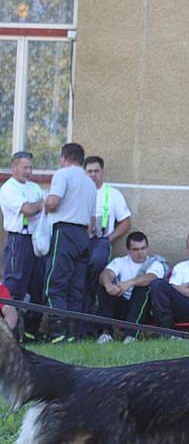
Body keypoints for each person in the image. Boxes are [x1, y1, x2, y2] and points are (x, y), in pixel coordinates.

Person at [44, 143, 97, 343]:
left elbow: (53, 202)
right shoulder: (90, 183)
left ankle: (57, 334)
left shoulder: (62, 174)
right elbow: (92, 220)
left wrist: (44, 202)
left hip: (64, 232)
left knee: (55, 284)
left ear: (64, 158)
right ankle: (73, 334)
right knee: (76, 287)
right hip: (83, 235)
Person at [0, 151, 46, 340]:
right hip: (18, 241)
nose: (28, 171)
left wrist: (39, 204)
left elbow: (43, 207)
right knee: (15, 287)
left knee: (38, 287)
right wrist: (40, 204)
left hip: (36, 240)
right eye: (25, 167)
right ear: (15, 167)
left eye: (30, 167)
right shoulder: (9, 188)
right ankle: (10, 333)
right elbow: (27, 210)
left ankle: (31, 333)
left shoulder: (34, 188)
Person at [83, 156, 132, 329]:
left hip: (101, 242)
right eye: (89, 171)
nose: (93, 175)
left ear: (102, 172)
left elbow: (126, 221)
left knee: (96, 270)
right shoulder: (79, 192)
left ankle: (98, 325)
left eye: (96, 171)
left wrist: (109, 239)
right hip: (81, 242)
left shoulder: (112, 194)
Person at [96, 231, 167, 344]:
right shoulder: (121, 261)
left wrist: (129, 283)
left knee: (143, 288)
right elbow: (106, 273)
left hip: (144, 309)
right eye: (135, 249)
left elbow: (151, 277)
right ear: (128, 250)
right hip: (122, 306)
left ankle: (131, 335)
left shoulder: (154, 263)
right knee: (103, 288)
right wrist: (109, 285)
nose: (140, 253)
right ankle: (106, 334)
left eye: (143, 248)